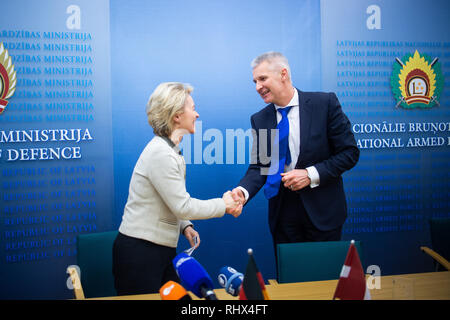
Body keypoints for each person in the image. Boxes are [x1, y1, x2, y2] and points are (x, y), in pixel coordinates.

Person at [113, 82, 242, 295]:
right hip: (141, 254)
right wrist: (224, 205)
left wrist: (184, 226)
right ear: (176, 116)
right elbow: (182, 205)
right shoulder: (161, 153)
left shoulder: (168, 150)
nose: (197, 114)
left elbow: (169, 200)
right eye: (192, 108)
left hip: (159, 250)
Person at [231, 52, 359, 254]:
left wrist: (310, 175)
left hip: (323, 212)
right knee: (290, 282)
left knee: (325, 280)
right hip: (283, 216)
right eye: (254, 81)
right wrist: (242, 192)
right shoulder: (260, 119)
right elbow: (261, 167)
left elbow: (349, 153)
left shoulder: (324, 104)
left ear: (283, 74)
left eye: (263, 79)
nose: (257, 87)